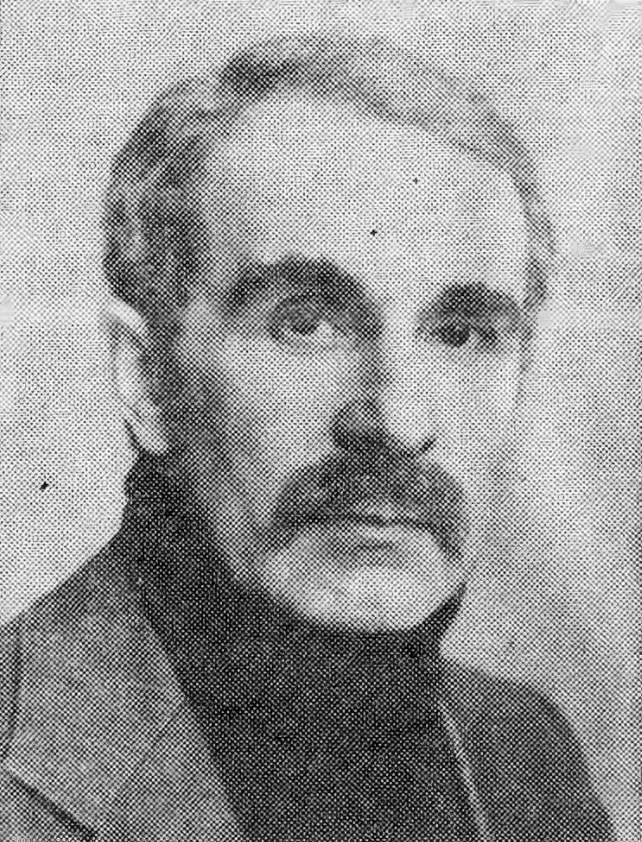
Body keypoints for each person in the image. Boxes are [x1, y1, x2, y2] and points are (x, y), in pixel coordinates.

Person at [0, 33, 614, 842]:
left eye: (462, 333)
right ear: (146, 379)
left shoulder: (525, 759)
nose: (397, 421)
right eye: (306, 322)